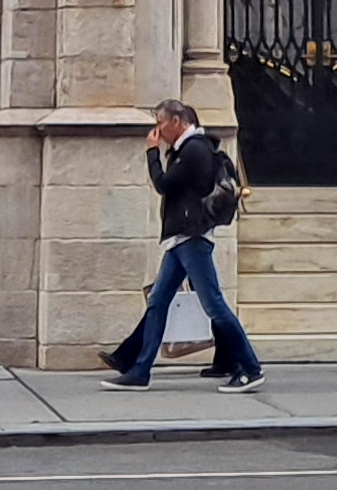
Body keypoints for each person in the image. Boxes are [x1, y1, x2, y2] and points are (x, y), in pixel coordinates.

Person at [101, 100, 261, 392]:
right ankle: (139, 371)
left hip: (192, 237)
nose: (158, 129)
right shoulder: (187, 149)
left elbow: (163, 184)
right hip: (181, 238)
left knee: (213, 304)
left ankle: (250, 368)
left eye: (161, 122)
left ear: (177, 121)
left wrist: (152, 153)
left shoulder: (194, 149)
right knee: (158, 302)